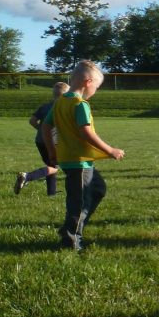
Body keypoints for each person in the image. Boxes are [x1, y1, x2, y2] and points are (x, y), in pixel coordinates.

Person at [41, 60, 125, 250]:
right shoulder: (80, 105)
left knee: (98, 190)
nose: (96, 90)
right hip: (78, 163)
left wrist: (52, 151)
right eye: (97, 86)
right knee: (78, 203)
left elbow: (45, 127)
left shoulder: (60, 102)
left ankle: (74, 227)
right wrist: (110, 150)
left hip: (76, 161)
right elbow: (86, 132)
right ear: (88, 82)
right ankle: (71, 241)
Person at [14, 81, 69, 196]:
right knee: (56, 167)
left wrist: (42, 130)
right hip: (54, 142)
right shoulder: (63, 108)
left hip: (40, 141)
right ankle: (27, 176)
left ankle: (51, 192)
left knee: (51, 165)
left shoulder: (44, 107)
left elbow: (32, 121)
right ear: (65, 95)